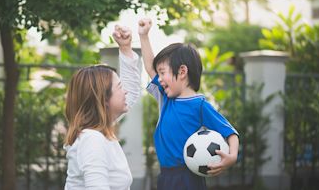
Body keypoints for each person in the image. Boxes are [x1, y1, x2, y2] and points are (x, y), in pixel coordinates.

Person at [138, 18, 240, 190]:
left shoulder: (200, 105)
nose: (159, 78)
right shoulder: (166, 99)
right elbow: (150, 68)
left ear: (182, 71)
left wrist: (233, 156)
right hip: (165, 176)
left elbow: (230, 132)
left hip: (188, 177)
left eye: (163, 73)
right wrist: (144, 36)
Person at [63, 25, 141, 190]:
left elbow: (131, 94)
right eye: (120, 87)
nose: (125, 91)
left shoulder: (98, 131)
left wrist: (125, 48)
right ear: (104, 99)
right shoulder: (92, 139)